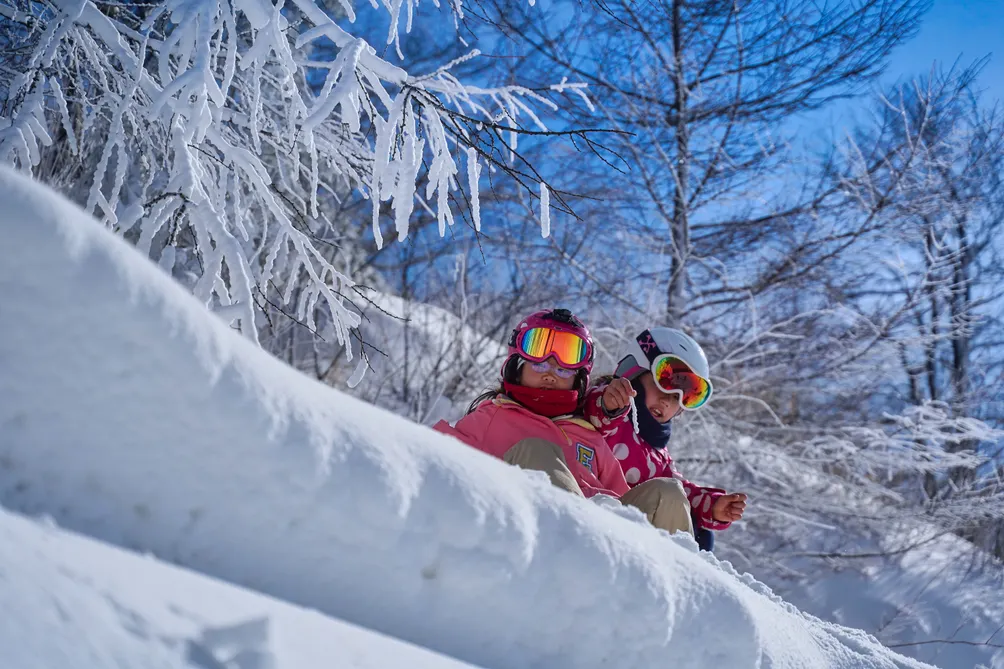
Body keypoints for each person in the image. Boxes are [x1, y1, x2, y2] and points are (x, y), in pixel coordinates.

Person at [434, 309, 697, 536]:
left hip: (607, 540)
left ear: (579, 376)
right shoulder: (492, 418)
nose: (551, 369)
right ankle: (572, 553)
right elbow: (433, 458)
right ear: (517, 362)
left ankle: (675, 574)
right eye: (538, 353)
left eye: (566, 361)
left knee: (668, 493)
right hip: (539, 540)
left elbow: (620, 500)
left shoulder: (588, 435)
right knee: (535, 450)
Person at [584, 327, 747, 550]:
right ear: (635, 372)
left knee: (699, 530)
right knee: (668, 493)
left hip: (631, 527)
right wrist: (609, 405)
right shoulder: (609, 412)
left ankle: (679, 567)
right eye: (665, 382)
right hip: (596, 514)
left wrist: (712, 506)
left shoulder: (658, 453)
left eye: (683, 397)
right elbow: (594, 415)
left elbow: (680, 490)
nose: (668, 400)